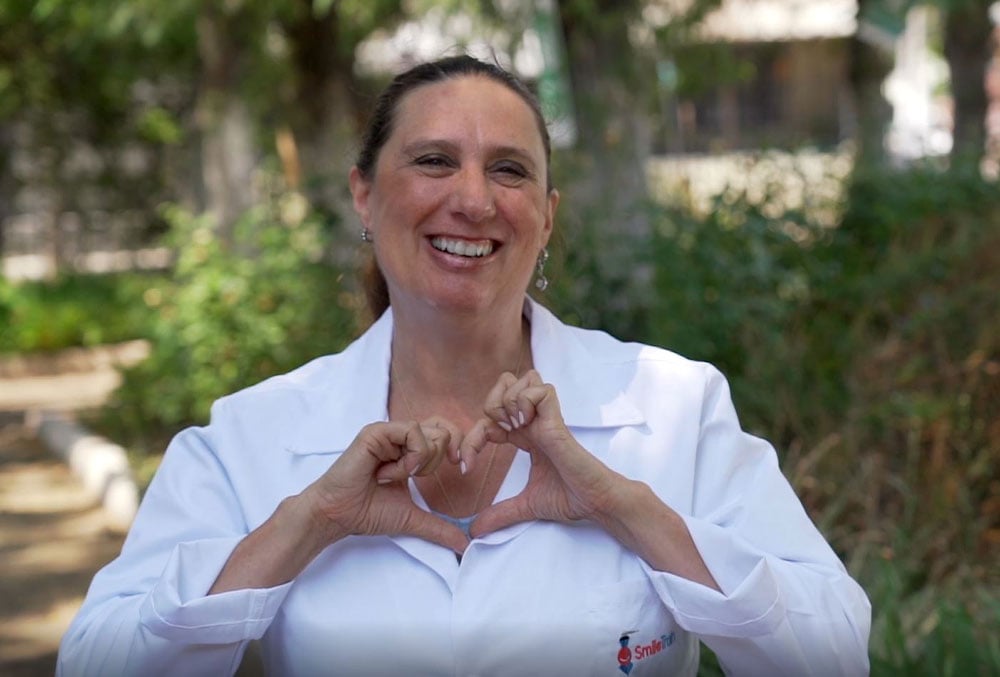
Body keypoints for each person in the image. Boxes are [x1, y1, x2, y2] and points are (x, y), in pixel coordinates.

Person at [57, 54, 870, 676]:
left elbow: (835, 651)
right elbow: (94, 659)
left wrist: (627, 508)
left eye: (509, 169)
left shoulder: (674, 405)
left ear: (546, 220)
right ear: (365, 197)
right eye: (434, 161)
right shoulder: (251, 434)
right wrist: (307, 523)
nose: (474, 200)